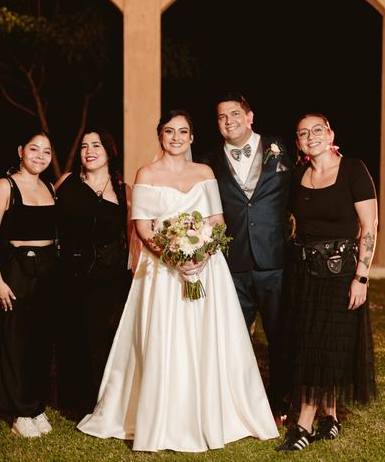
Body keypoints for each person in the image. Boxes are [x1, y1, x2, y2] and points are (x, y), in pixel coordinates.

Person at [77, 109, 278, 452]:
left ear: (192, 138)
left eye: (183, 132)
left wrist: (200, 254)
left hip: (207, 269)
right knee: (161, 337)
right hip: (161, 273)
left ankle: (214, 411)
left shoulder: (204, 171)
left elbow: (217, 220)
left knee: (206, 337)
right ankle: (161, 417)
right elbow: (142, 226)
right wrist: (174, 258)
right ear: (161, 136)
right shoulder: (147, 173)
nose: (176, 138)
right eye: (169, 131)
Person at [276, 113, 377, 451]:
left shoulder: (354, 170)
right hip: (304, 274)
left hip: (341, 275)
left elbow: (370, 229)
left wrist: (361, 277)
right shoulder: (298, 176)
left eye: (317, 129)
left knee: (329, 343)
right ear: (299, 142)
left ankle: (302, 425)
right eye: (303, 132)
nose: (311, 136)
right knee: (309, 342)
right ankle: (330, 417)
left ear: (330, 133)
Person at [209, 92, 292, 424]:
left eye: (234, 114)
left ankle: (280, 402)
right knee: (233, 337)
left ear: (249, 116)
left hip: (275, 259)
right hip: (232, 262)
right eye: (221, 117)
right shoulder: (208, 160)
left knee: (279, 336)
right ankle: (236, 403)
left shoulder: (281, 148)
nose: (229, 121)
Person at [0, 132, 58, 438]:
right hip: (17, 269)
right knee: (15, 340)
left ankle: (36, 406)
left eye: (46, 151)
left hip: (49, 269)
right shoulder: (5, 186)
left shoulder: (49, 186)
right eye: (34, 149)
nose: (40, 156)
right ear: (20, 151)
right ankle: (18, 410)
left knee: (41, 340)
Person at [54, 128, 133, 417]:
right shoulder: (66, 183)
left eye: (96, 145)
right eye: (85, 145)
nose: (89, 150)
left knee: (101, 338)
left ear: (109, 151)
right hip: (70, 272)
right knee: (71, 333)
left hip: (108, 276)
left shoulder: (124, 190)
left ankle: (101, 400)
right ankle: (73, 401)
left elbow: (131, 235)